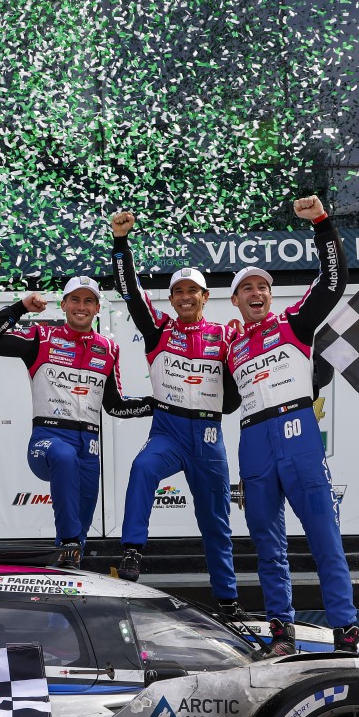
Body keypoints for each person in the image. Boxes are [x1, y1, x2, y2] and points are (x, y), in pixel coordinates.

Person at [226, 195, 359, 654]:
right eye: (248, 289)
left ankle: (346, 630)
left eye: (263, 286)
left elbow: (334, 280)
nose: (257, 293)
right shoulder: (230, 348)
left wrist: (321, 223)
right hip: (252, 441)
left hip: (297, 430)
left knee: (323, 533)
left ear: (271, 294)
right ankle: (281, 632)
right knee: (267, 541)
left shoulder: (295, 323)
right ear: (236, 300)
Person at [109, 210, 239, 605]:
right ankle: (132, 550)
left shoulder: (224, 335)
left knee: (215, 523)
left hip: (209, 436)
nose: (185, 297)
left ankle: (228, 599)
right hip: (168, 430)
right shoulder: (159, 329)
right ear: (171, 298)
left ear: (205, 296)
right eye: (178, 292)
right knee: (143, 467)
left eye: (192, 291)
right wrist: (120, 242)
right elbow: (130, 290)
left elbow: (239, 389)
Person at [0, 278, 152, 567]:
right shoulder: (41, 337)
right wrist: (21, 307)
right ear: (64, 304)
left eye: (88, 301)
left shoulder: (108, 348)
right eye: (75, 299)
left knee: (79, 529)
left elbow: (115, 406)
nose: (81, 307)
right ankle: (70, 544)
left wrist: (156, 406)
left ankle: (69, 567)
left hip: (90, 445)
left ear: (98, 307)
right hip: (48, 439)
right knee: (64, 456)